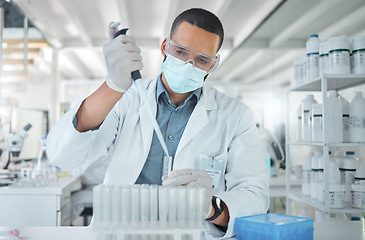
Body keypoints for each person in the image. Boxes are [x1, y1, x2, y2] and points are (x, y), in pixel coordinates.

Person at [47, 8, 269, 238]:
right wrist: (112, 85)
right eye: (181, 52)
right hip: (121, 233)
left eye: (202, 60)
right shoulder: (127, 99)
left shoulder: (235, 115)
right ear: (165, 47)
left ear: (212, 65)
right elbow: (64, 156)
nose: (188, 65)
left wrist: (211, 208)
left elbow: (255, 195)